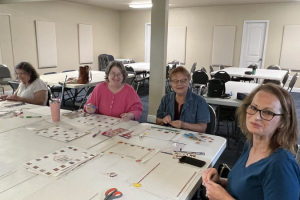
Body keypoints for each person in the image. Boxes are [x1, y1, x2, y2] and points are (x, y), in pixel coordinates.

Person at [202, 83, 300, 200]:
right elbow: (251, 189)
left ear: (283, 122)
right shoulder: (250, 145)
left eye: (268, 112)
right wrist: (221, 182)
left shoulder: (281, 167)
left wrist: (223, 198)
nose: (256, 117)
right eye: (253, 108)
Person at [156, 66, 210, 132]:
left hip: (190, 139)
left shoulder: (200, 101)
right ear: (171, 83)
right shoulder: (165, 99)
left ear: (189, 81)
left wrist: (183, 125)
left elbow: (202, 128)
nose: (179, 84)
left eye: (183, 80)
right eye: (175, 81)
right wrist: (163, 120)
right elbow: (158, 121)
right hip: (169, 137)